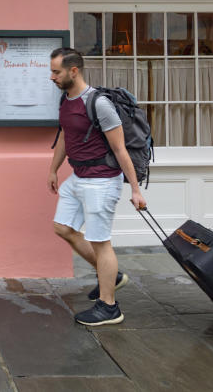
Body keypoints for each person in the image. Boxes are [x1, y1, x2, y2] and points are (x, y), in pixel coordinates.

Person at [47, 47, 146, 326]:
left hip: (102, 181)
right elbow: (65, 136)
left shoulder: (99, 104)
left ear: (73, 71)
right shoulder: (66, 100)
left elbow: (120, 149)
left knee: (100, 242)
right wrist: (53, 169)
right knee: (63, 228)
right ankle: (111, 277)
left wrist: (136, 190)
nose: (52, 77)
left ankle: (109, 307)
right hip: (78, 178)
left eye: (56, 72)